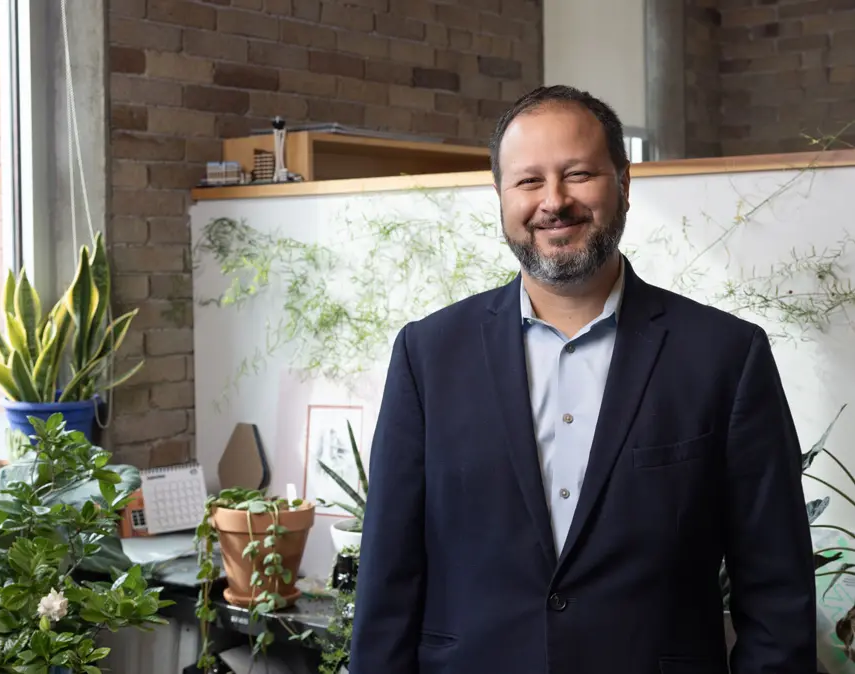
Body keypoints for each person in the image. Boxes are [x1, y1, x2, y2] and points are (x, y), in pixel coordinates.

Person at [347, 85, 817, 674]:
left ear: (623, 182)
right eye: (528, 181)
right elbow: (388, 577)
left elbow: (777, 588)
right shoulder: (428, 354)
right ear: (499, 194)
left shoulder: (725, 355)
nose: (553, 201)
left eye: (577, 174)